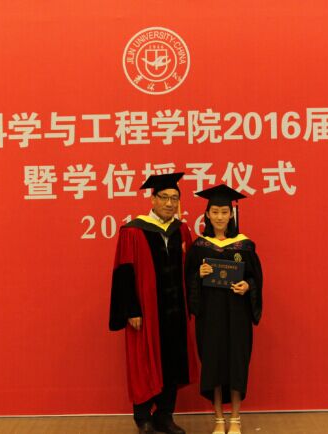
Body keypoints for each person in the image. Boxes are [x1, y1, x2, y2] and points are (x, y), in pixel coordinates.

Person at [109, 173, 199, 434]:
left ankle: (164, 415)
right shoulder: (134, 230)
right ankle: (143, 417)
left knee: (172, 362)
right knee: (144, 362)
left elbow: (190, 269)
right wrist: (132, 309)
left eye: (174, 198)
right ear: (153, 199)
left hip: (175, 311)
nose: (170, 203)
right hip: (146, 312)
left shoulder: (182, 230)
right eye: (164, 197)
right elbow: (125, 272)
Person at [184, 184, 263, 434]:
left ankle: (235, 418)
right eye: (215, 212)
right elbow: (187, 280)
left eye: (224, 212)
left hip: (238, 314)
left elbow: (255, 279)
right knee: (214, 363)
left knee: (237, 362)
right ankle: (219, 419)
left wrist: (247, 286)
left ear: (231, 214)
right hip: (210, 316)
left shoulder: (244, 246)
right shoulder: (199, 247)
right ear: (207, 215)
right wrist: (198, 274)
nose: (219, 217)